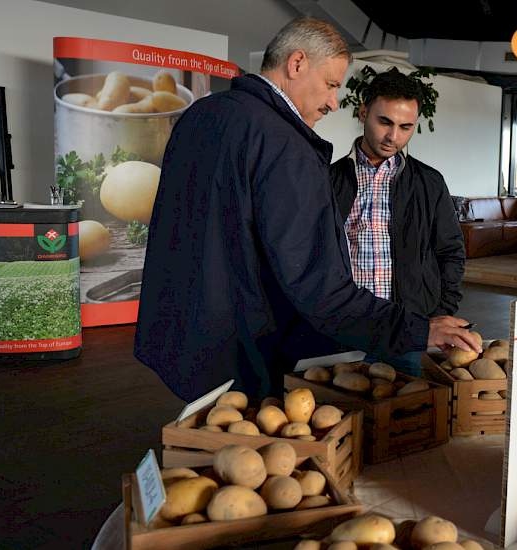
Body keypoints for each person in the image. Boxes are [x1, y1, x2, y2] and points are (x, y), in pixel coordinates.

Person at [134, 18, 479, 401]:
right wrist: (416, 329)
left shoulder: (200, 115)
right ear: (297, 64)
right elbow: (319, 286)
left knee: (202, 442)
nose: (333, 102)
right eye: (331, 84)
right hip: (244, 351)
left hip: (183, 339)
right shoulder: (286, 144)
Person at [330, 69, 466, 376]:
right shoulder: (328, 180)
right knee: (342, 414)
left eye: (406, 127)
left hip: (410, 331)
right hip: (345, 332)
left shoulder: (429, 183)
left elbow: (451, 252)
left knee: (408, 418)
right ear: (364, 112)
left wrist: (439, 313)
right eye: (385, 122)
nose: (394, 137)